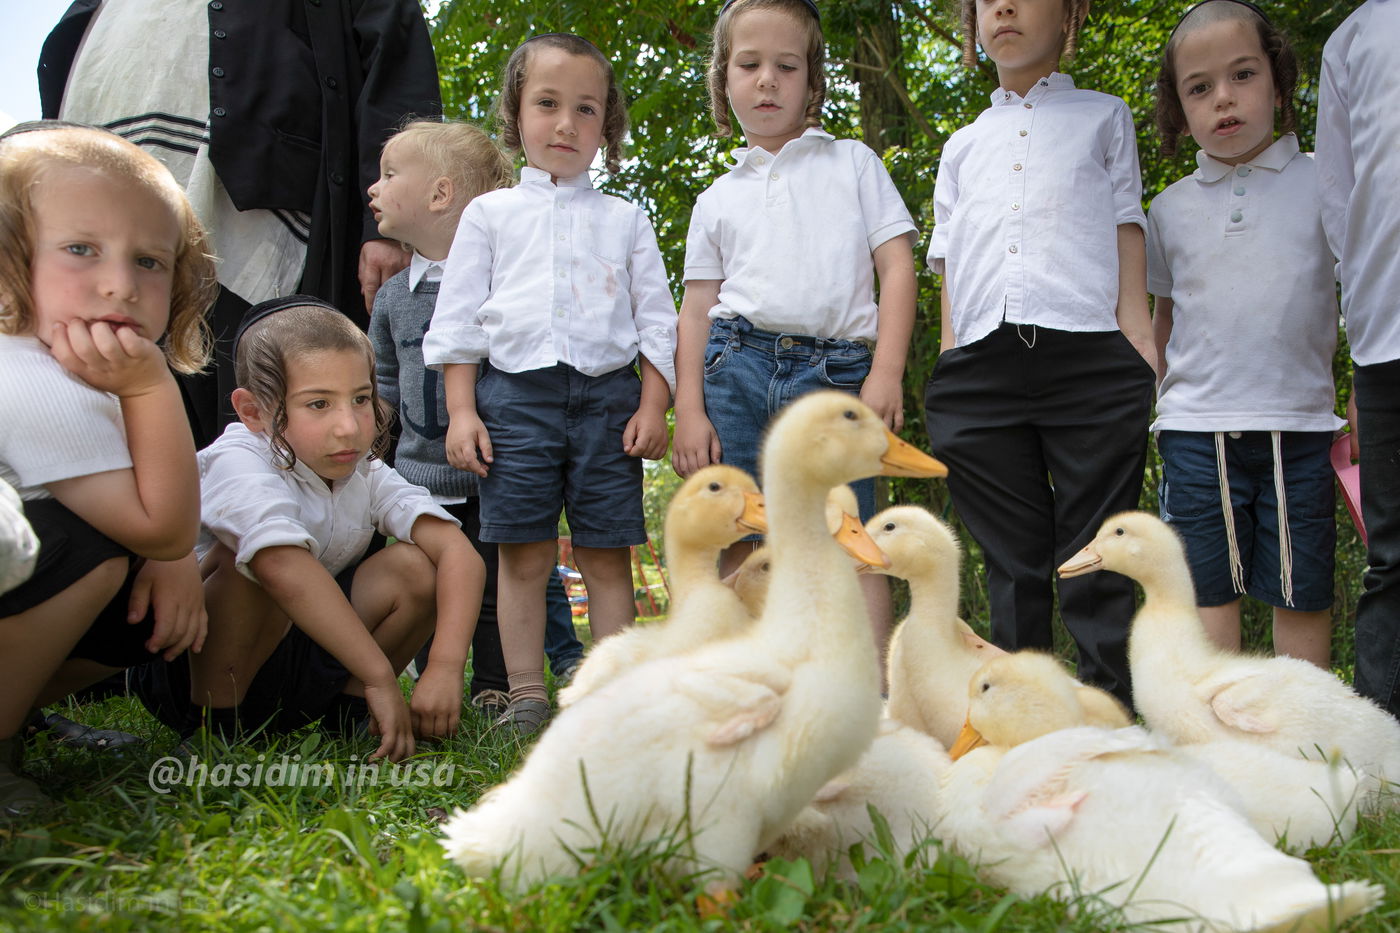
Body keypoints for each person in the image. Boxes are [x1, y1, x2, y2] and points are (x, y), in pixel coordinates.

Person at [38, 0, 443, 448]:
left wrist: (386, 225)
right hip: (96, 193)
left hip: (251, 211)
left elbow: (396, 63)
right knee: (100, 424)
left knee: (249, 433)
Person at [423, 34, 677, 735]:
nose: (566, 123)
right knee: (524, 551)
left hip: (608, 402)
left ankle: (613, 696)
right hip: (514, 401)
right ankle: (528, 694)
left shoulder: (625, 219)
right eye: (548, 104)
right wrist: (461, 412)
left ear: (606, 128)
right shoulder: (490, 215)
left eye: (586, 109)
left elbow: (657, 319)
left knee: (604, 550)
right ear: (516, 112)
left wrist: (655, 403)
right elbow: (460, 321)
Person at [922, 0, 1156, 708]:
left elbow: (1125, 222)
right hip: (979, 370)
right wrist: (949, 357)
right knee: (1012, 560)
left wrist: (1139, 341)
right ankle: (1021, 720)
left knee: (1097, 554)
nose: (1004, 6)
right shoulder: (963, 143)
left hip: (1089, 358)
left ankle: (1107, 717)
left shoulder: (1103, 117)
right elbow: (947, 262)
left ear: (1069, 16)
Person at [670, 0, 918, 664]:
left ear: (813, 83)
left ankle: (869, 693)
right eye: (749, 65)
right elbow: (696, 310)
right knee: (741, 533)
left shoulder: (854, 163)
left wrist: (885, 369)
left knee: (849, 534)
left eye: (787, 65)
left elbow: (896, 266)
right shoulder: (717, 198)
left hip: (837, 376)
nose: (768, 80)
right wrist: (687, 408)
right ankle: (751, 677)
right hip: (736, 370)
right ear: (725, 78)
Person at [134, 298, 484, 763]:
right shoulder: (238, 458)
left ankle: (353, 721)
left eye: (360, 399)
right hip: (190, 670)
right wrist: (382, 674)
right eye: (318, 404)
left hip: (299, 663)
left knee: (418, 565)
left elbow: (460, 556)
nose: (349, 427)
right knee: (254, 563)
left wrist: (444, 666)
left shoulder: (363, 469)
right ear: (254, 412)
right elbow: (280, 567)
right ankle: (212, 736)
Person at [0, 125, 216, 815]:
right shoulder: (29, 375)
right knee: (94, 552)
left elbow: (158, 526)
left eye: (150, 262)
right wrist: (151, 387)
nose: (120, 284)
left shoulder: (59, 362)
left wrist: (170, 556)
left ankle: (18, 712)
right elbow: (160, 524)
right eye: (80, 249)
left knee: (138, 597)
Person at [1147, 0, 1340, 668]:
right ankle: (1214, 746)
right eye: (1199, 88)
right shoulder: (1167, 211)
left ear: (1279, 81)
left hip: (1301, 424)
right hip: (1198, 428)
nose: (1223, 99)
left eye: (1243, 75)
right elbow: (1163, 319)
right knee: (1206, 591)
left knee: (1301, 590)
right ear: (1180, 106)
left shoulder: (1324, 183)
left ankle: (1307, 748)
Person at [1317, 0, 1400, 717]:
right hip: (1386, 337)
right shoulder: (1351, 40)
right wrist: (1357, 353)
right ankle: (1384, 758)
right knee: (1392, 553)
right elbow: (1342, 207)